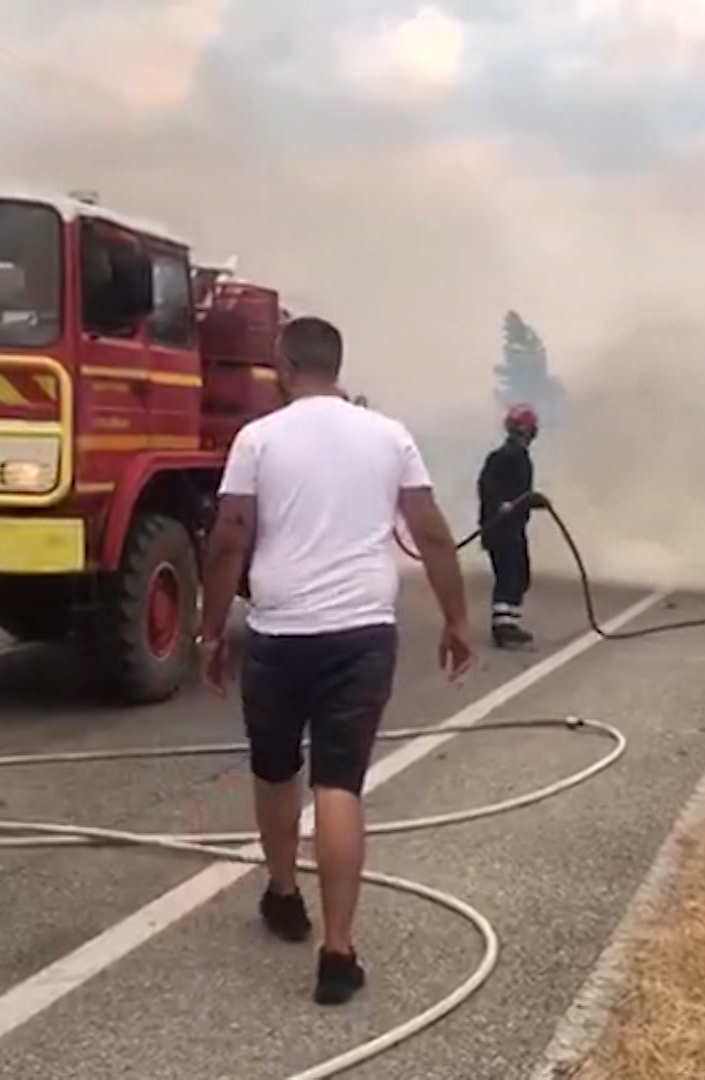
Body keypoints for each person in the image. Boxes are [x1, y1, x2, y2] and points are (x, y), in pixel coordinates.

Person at [197, 315, 476, 1006]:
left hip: (280, 630)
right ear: (338, 366)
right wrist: (457, 618)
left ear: (283, 365)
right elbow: (433, 532)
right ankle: (338, 951)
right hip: (360, 632)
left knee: (275, 767)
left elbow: (230, 536)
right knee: (339, 784)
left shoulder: (257, 439)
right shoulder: (389, 436)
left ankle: (285, 895)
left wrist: (208, 633)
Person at [477, 404, 545, 649]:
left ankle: (509, 622)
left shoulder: (519, 456)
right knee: (509, 575)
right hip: (500, 528)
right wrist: (501, 506)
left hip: (512, 527)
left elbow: (519, 493)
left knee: (520, 575)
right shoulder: (506, 455)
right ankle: (502, 626)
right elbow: (486, 486)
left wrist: (531, 501)